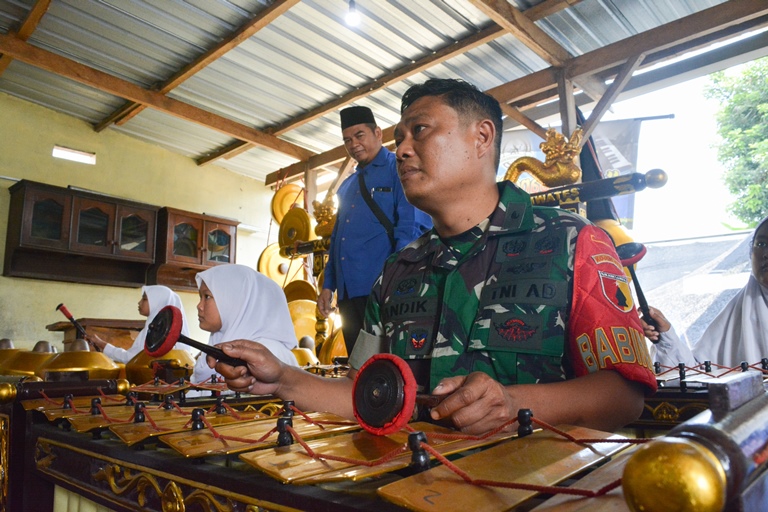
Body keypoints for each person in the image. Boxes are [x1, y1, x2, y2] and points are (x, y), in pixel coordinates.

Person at [208, 78, 657, 435]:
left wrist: (514, 403)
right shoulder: (399, 268)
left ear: (482, 137)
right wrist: (282, 378)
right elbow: (362, 393)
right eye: (399, 137)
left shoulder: (571, 242)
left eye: (419, 131)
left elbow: (625, 395)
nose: (401, 150)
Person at [318, 105, 432, 355]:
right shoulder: (346, 185)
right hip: (349, 294)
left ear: (378, 134)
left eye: (359, 135)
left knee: (387, 365)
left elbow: (410, 226)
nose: (354, 144)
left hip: (383, 290)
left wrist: (399, 279)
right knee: (359, 367)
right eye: (348, 140)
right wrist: (328, 285)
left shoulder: (398, 167)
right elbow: (337, 238)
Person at [645, 215, 768, 367]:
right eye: (761, 244)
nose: (766, 254)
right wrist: (666, 337)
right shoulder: (739, 313)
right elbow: (699, 374)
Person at [191, 264, 298, 385]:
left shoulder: (269, 354)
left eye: (207, 296)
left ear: (234, 301)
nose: (199, 306)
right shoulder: (213, 347)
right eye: (201, 297)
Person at [88, 285, 191, 364]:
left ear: (157, 302)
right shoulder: (152, 328)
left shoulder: (157, 332)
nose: (139, 302)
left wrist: (102, 344)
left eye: (144, 299)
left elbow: (133, 358)